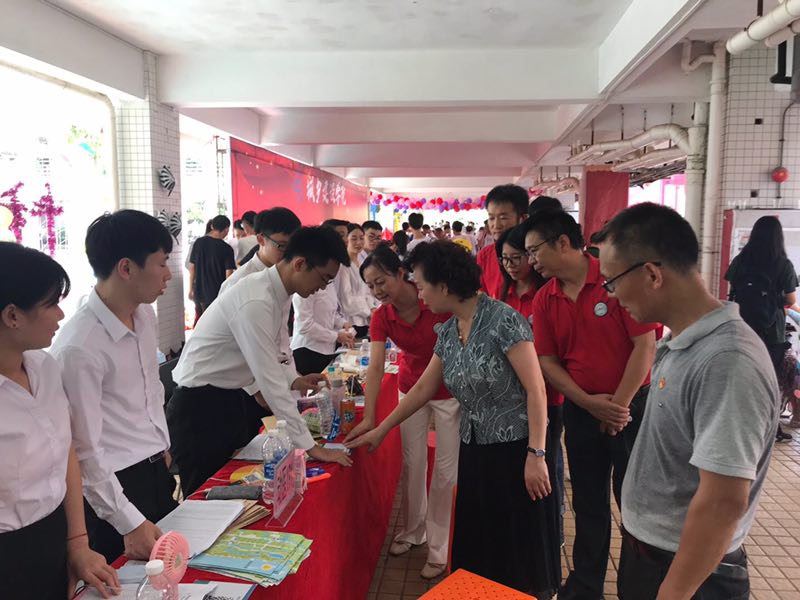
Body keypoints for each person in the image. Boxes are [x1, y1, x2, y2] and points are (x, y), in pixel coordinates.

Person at [348, 241, 560, 598]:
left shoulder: (503, 320)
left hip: (516, 450)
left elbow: (536, 389)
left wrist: (536, 454)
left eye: (422, 285)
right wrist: (382, 429)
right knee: (481, 535)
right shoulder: (449, 330)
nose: (419, 294)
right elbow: (422, 388)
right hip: (475, 447)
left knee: (517, 541)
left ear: (444, 286)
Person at [594, 203, 778, 600]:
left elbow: (723, 500)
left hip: (688, 574)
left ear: (651, 274)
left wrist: (675, 592)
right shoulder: (679, 342)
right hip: (654, 555)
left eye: (611, 281)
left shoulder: (727, 361)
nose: (611, 295)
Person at [526, 209, 657, 600]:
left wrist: (619, 408)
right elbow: (548, 361)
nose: (531, 260)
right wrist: (587, 402)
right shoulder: (545, 298)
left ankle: (640, 589)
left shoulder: (614, 279)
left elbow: (645, 346)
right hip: (582, 412)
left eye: (535, 250)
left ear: (563, 242)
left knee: (636, 505)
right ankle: (585, 588)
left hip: (633, 410)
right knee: (588, 503)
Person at [169, 227, 354, 496]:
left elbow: (274, 352)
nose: (322, 288)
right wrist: (312, 448)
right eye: (324, 278)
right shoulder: (256, 299)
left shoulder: (277, 292)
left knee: (237, 492)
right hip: (199, 408)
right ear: (300, 264)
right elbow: (269, 380)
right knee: (207, 496)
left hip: (226, 399)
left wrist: (294, 380)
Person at [51, 210, 176, 564]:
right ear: (126, 268)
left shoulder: (144, 315)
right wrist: (128, 522)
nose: (168, 274)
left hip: (155, 469)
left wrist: (162, 443)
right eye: (161, 263)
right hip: (114, 491)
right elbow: (84, 450)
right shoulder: (80, 347)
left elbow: (151, 389)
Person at [0, 243, 119, 599]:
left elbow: (66, 449)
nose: (61, 314)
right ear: (12, 316)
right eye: (51, 303)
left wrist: (78, 542)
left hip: (54, 534)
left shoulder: (44, 367)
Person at [345, 244, 459, 580]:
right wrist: (369, 416)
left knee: (446, 471)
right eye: (370, 286)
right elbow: (376, 366)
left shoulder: (433, 300)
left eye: (381, 281)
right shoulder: (382, 316)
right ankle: (413, 531)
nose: (377, 291)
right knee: (413, 463)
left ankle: (439, 548)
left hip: (449, 391)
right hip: (410, 390)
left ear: (400, 273)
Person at [495, 224, 566, 541]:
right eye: (504, 259)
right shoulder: (503, 296)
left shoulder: (547, 294)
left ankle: (552, 532)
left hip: (547, 397)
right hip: (510, 400)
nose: (510, 265)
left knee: (545, 465)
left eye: (517, 258)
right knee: (518, 471)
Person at [725, 215, 798, 443]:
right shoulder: (783, 264)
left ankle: (735, 424)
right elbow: (790, 299)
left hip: (742, 328)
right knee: (769, 380)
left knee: (741, 376)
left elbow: (732, 291)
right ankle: (769, 428)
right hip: (771, 332)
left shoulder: (740, 261)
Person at [219, 207, 301, 296]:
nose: (289, 254)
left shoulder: (288, 273)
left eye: (293, 247)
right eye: (282, 246)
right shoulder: (239, 282)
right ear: (261, 239)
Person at [477, 184, 528, 298]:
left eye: (503, 218)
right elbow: (482, 297)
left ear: (523, 219)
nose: (496, 225)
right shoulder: (485, 255)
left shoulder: (534, 254)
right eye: (491, 218)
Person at [188, 214, 235, 321]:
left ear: (212, 226)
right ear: (226, 229)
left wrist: (190, 289)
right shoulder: (227, 249)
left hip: (198, 292)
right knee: (213, 324)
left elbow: (192, 268)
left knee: (200, 322)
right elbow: (229, 276)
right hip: (216, 294)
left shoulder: (198, 243)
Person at [337, 223, 378, 338]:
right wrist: (369, 312)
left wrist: (373, 308)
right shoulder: (343, 266)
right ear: (346, 240)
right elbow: (346, 301)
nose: (358, 243)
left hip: (365, 321)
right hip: (350, 323)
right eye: (354, 239)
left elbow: (367, 292)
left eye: (361, 238)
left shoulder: (362, 264)